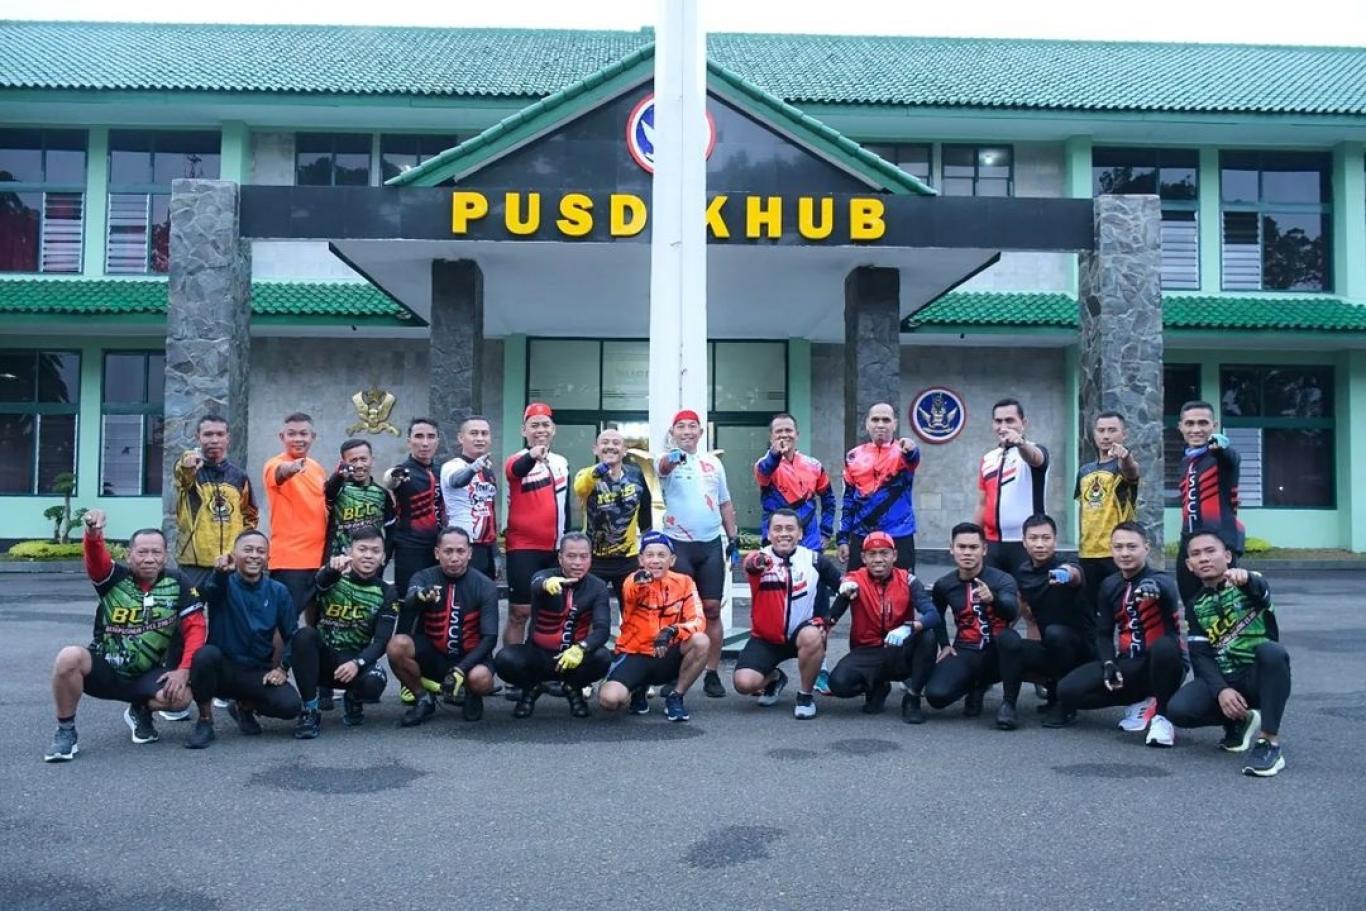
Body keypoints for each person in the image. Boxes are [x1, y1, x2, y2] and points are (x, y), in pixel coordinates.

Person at [43, 510, 204, 762]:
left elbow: (196, 628)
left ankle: (140, 709)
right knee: (68, 657)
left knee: (180, 699)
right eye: (142, 552)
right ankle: (65, 731)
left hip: (147, 674)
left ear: (166, 556)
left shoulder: (178, 582)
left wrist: (183, 670)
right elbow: (95, 558)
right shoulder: (112, 578)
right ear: (129, 555)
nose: (149, 559)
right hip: (105, 669)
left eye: (156, 552)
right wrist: (93, 533)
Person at [1168, 531, 1290, 777]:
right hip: (1227, 677)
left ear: (1227, 555)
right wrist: (1221, 690)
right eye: (1196, 554)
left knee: (1273, 652)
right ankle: (1238, 720)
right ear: (1189, 565)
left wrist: (1245, 578)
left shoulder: (1251, 584)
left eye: (1210, 551)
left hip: (1258, 676)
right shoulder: (1196, 605)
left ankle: (1269, 743)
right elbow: (1201, 655)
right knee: (1178, 710)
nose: (1204, 558)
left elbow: (1258, 587)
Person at [1056, 521, 1184, 747]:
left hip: (1165, 664)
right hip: (1130, 664)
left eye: (1132, 547)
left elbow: (1163, 586)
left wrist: (1152, 587)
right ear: (1112, 550)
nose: (1125, 553)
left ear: (1146, 548)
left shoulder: (1161, 579)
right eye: (1119, 547)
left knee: (1165, 647)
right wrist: (1108, 664)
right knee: (1067, 691)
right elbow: (1104, 634)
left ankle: (1163, 716)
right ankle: (1142, 701)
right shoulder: (1109, 585)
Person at [186, 530, 303, 749]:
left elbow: (292, 635)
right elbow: (208, 593)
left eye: (260, 551)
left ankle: (244, 707)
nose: (254, 555)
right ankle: (205, 720)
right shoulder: (223, 582)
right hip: (222, 669)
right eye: (248, 550)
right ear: (234, 554)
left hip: (257, 670)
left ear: (268, 557)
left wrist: (282, 668)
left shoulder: (278, 591)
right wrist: (219, 573)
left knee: (291, 706)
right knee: (204, 656)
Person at [657, 409, 737, 698]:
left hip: (710, 544)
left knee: (712, 609)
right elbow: (663, 467)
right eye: (681, 427)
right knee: (677, 613)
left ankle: (712, 673)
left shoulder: (713, 463)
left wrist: (734, 537)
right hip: (678, 545)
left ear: (701, 432)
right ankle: (674, 672)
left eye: (693, 426)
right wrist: (674, 456)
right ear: (673, 432)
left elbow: (725, 503)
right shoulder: (666, 459)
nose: (687, 431)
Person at [735, 509, 844, 719]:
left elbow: (846, 589)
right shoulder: (760, 558)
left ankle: (805, 696)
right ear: (768, 534)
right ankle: (775, 678)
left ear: (800, 534)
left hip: (802, 635)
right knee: (744, 683)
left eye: (789, 529)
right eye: (777, 529)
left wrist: (830, 620)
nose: (784, 533)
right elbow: (751, 564)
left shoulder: (814, 559)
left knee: (813, 634)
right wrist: (759, 562)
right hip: (766, 639)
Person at [756, 413, 837, 693]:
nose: (784, 435)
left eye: (789, 430)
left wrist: (826, 531)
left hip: (810, 545)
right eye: (778, 431)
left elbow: (829, 499)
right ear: (771, 436)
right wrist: (775, 454)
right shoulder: (764, 465)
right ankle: (769, 668)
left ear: (797, 434)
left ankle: (821, 666)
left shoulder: (813, 465)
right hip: (775, 547)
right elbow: (766, 469)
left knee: (819, 608)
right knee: (771, 608)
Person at [290, 528, 398, 735]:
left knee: (375, 681)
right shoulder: (334, 577)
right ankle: (310, 710)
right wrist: (330, 571)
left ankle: (353, 698)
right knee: (304, 636)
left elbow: (381, 641)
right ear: (349, 552)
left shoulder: (387, 592)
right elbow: (313, 589)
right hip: (322, 659)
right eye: (362, 549)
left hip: (353, 661)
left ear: (383, 558)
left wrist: (358, 663)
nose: (368, 555)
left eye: (375, 551)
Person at [387, 527, 499, 726]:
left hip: (469, 659)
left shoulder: (485, 585)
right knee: (397, 646)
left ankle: (472, 695)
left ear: (470, 553)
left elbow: (490, 637)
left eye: (460, 551)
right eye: (448, 551)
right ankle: (423, 699)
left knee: (481, 679)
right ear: (437, 553)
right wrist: (420, 596)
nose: (454, 558)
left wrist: (461, 669)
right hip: (434, 655)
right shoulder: (423, 577)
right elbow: (410, 599)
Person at [824, 531, 939, 723]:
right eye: (872, 554)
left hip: (900, 648)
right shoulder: (855, 581)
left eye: (884, 553)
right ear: (863, 558)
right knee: (839, 684)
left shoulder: (908, 580)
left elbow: (933, 615)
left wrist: (910, 627)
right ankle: (877, 687)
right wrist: (842, 593)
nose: (878, 559)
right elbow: (833, 615)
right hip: (867, 650)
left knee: (928, 636)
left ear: (894, 555)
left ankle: (912, 698)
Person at [493, 532, 612, 718]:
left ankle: (573, 688)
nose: (577, 562)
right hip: (538, 656)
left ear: (591, 558)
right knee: (504, 659)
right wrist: (546, 584)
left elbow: (602, 629)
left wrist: (582, 648)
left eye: (583, 556)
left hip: (573, 657)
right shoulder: (545, 576)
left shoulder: (597, 587)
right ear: (560, 557)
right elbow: (536, 583)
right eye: (571, 556)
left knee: (603, 657)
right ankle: (531, 688)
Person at [598, 531, 710, 722]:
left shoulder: (685, 582)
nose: (655, 560)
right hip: (635, 654)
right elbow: (633, 589)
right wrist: (641, 580)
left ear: (672, 560)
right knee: (610, 700)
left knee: (701, 641)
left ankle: (676, 696)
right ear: (641, 560)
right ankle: (637, 688)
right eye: (650, 555)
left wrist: (672, 631)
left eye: (661, 555)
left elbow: (699, 620)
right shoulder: (633, 580)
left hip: (668, 652)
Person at [924, 523, 1024, 729]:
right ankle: (975, 687)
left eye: (973, 547)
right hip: (965, 649)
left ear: (984, 549)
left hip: (998, 651)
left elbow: (1012, 611)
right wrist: (944, 644)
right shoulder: (944, 584)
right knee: (936, 696)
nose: (967, 552)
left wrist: (993, 599)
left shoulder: (1002, 579)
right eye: (962, 547)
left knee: (1011, 640)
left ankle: (1008, 704)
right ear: (951, 549)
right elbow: (936, 615)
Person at [503, 403, 571, 666]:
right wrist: (533, 455)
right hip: (523, 548)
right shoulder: (517, 459)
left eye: (545, 425)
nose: (540, 430)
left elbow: (565, 506)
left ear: (553, 429)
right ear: (524, 431)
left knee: (552, 614)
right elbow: (517, 470)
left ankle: (546, 668)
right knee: (520, 612)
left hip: (555, 549)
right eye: (534, 425)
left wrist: (567, 542)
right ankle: (511, 668)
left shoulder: (561, 462)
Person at [1014, 514, 1094, 727]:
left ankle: (1065, 704)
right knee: (1008, 643)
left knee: (1055, 633)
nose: (1040, 544)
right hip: (1050, 644)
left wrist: (1064, 575)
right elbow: (1028, 614)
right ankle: (1011, 703)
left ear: (1055, 541)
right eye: (1033, 538)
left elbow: (1074, 573)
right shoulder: (1023, 572)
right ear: (1024, 542)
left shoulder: (1067, 564)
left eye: (1046, 538)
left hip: (1082, 650)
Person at [572, 426, 652, 612]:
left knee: (633, 612)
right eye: (605, 442)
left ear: (624, 450)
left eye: (616, 443)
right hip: (594, 558)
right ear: (595, 449)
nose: (610, 446)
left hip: (628, 558)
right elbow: (580, 488)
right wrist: (600, 470)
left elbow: (645, 511)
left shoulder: (636, 474)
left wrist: (646, 550)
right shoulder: (586, 474)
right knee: (588, 613)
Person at [173, 413, 258, 590]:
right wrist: (188, 463)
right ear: (198, 437)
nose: (214, 440)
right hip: (194, 564)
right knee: (191, 608)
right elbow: (183, 474)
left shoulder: (239, 476)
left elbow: (249, 517)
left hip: (230, 564)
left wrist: (239, 552)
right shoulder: (190, 471)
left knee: (230, 608)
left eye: (220, 434)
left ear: (228, 438)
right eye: (208, 434)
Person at [837, 403, 920, 573]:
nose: (880, 425)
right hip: (862, 533)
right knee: (856, 586)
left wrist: (911, 447)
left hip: (898, 534)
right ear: (867, 424)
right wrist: (843, 538)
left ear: (894, 424)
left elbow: (913, 457)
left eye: (886, 420)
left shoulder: (904, 453)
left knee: (903, 586)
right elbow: (848, 500)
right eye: (875, 420)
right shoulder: (853, 456)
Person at [1175, 400, 1244, 602]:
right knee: (1192, 605)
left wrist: (1220, 447)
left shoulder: (1220, 455)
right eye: (1190, 423)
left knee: (1225, 606)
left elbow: (1231, 458)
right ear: (1180, 427)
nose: (1196, 429)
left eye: (1203, 423)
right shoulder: (1185, 462)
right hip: (1189, 542)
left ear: (1214, 425)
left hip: (1220, 542)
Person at [262, 412, 327, 615]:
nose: (298, 439)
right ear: (282, 437)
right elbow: (280, 473)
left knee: (317, 620)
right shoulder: (273, 464)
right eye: (292, 434)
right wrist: (291, 468)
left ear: (312, 437)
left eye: (303, 434)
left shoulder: (317, 468)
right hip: (290, 561)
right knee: (283, 621)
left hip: (320, 559)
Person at [976, 398, 1050, 577]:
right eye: (998, 421)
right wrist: (974, 536)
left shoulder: (1033, 450)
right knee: (991, 592)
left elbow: (1036, 458)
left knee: (1024, 593)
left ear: (1023, 423)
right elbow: (982, 503)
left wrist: (1020, 443)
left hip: (1025, 542)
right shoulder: (988, 458)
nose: (1003, 426)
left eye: (1009, 420)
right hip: (992, 544)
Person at [1074, 411, 1139, 609]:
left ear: (1124, 434)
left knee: (1120, 608)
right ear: (1094, 434)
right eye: (1101, 430)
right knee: (1090, 610)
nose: (1106, 436)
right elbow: (1083, 508)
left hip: (1116, 552)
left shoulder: (1122, 466)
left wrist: (1125, 457)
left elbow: (1132, 472)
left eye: (1112, 430)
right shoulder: (1084, 471)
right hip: (1088, 552)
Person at [384, 417, 445, 598]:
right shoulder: (403, 471)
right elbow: (390, 480)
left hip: (439, 548)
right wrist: (394, 476)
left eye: (430, 437)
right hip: (409, 548)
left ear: (437, 441)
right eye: (419, 436)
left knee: (436, 599)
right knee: (409, 599)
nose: (425, 443)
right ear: (409, 441)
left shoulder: (443, 471)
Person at [439, 414, 500, 580]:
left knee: (487, 592)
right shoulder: (452, 466)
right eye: (474, 433)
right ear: (461, 438)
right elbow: (457, 481)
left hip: (486, 547)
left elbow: (489, 511)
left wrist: (495, 552)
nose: (480, 438)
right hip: (461, 546)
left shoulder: (488, 471)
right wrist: (474, 467)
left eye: (484, 433)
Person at [324, 438, 395, 560]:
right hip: (339, 562)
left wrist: (384, 559)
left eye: (363, 459)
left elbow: (391, 530)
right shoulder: (337, 490)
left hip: (371, 561)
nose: (359, 465)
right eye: (353, 460)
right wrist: (339, 475)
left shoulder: (382, 494)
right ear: (343, 463)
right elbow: (330, 490)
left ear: (372, 460)